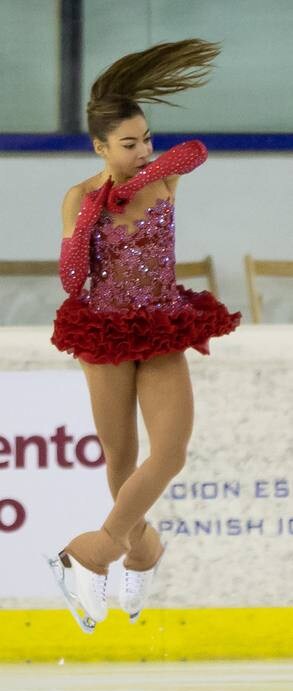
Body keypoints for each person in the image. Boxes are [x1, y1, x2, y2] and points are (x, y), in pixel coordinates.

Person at [48, 38, 242, 632]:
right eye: (127, 144)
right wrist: (90, 214)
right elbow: (70, 278)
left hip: (159, 325)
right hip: (104, 332)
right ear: (100, 146)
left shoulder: (163, 180)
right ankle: (143, 551)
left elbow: (194, 152)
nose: (141, 151)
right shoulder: (80, 198)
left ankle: (93, 551)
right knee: (123, 460)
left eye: (145, 139)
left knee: (171, 452)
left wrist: (144, 172)